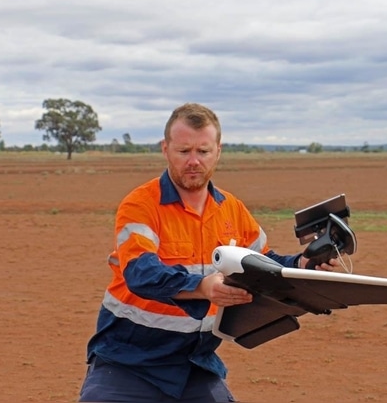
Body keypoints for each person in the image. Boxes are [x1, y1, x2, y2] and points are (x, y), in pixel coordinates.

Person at [79, 103, 338, 402]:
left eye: (202, 151)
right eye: (183, 151)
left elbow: (264, 262)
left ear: (218, 151)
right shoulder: (140, 205)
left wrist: (303, 263)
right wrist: (202, 287)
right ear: (165, 149)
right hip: (127, 362)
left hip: (194, 363)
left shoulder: (231, 209)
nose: (193, 161)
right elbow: (141, 274)